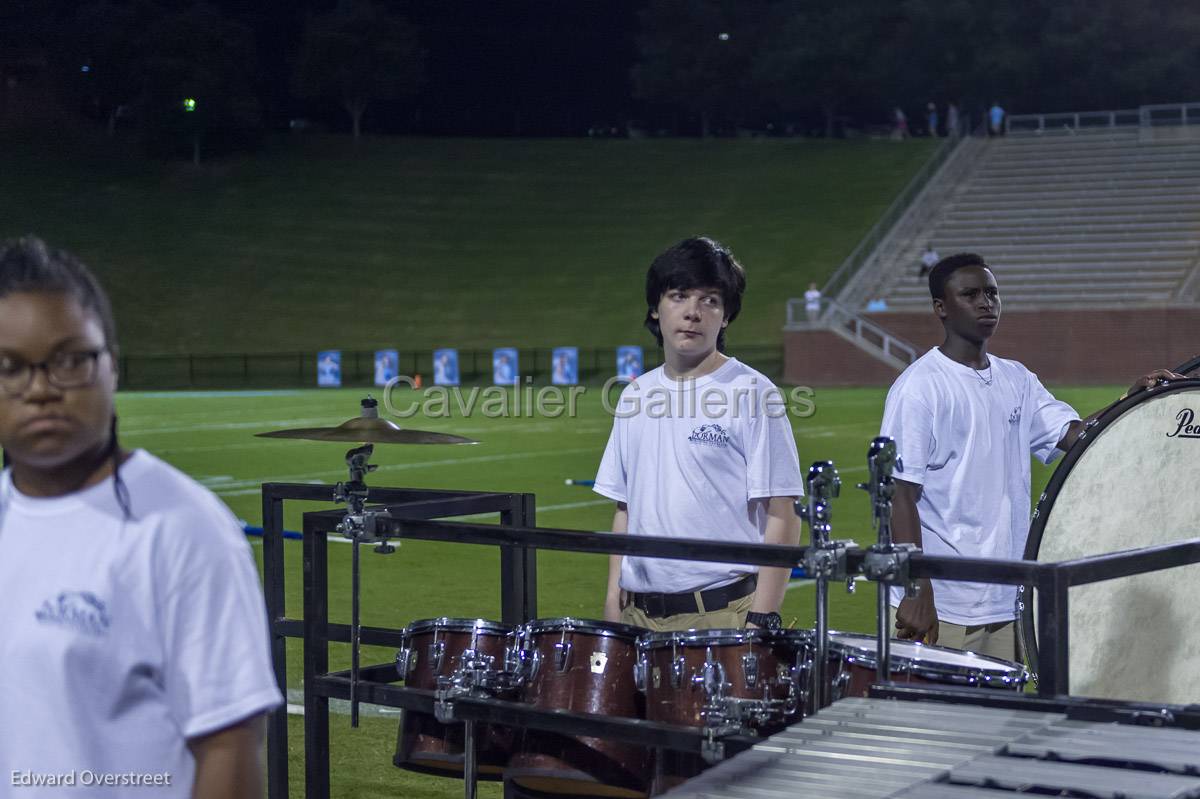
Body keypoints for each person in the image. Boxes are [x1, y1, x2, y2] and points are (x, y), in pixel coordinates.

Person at [0, 237, 282, 798]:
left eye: (70, 361)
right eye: (9, 368)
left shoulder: (185, 529)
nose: (40, 390)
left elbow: (230, 745)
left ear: (113, 366)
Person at [881, 252, 1184, 659]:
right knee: (940, 719)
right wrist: (917, 589)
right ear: (941, 308)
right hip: (944, 602)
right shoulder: (920, 387)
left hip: (1009, 595)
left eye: (992, 293)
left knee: (1003, 719)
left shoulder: (1016, 378)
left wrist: (1130, 402)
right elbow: (898, 492)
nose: (986, 303)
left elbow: (1074, 436)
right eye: (970, 295)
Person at [595, 237, 804, 632]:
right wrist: (612, 596)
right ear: (656, 308)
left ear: (725, 317)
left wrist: (762, 616)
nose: (693, 313)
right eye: (679, 296)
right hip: (636, 614)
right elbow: (625, 508)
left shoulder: (753, 392)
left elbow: (783, 511)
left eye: (710, 300)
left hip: (722, 613)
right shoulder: (635, 395)